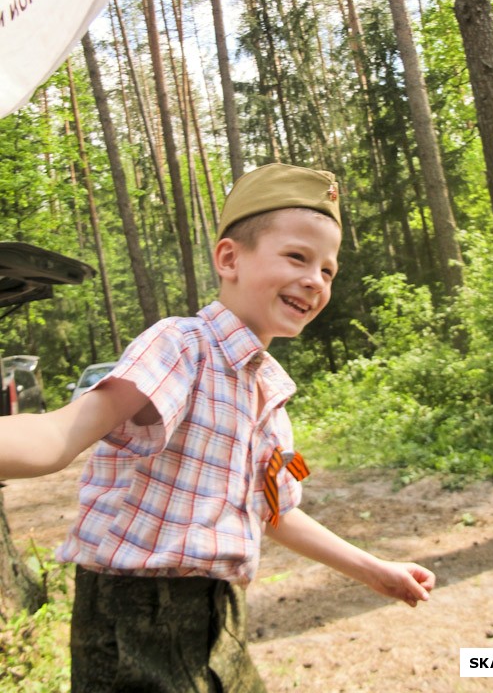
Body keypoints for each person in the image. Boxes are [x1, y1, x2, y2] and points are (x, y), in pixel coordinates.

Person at [0, 164, 435, 693]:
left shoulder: (270, 395)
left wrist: (374, 570)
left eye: (328, 270)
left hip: (221, 616)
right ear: (229, 258)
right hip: (136, 619)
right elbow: (55, 438)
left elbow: (273, 511)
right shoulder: (181, 346)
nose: (314, 280)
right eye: (297, 256)